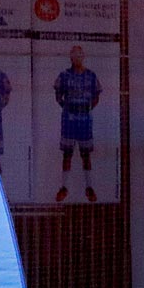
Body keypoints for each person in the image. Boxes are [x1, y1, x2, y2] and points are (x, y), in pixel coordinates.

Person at [53, 44, 102, 202]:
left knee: (85, 154)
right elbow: (58, 94)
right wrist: (69, 108)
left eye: (80, 55)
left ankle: (89, 187)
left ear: (83, 57)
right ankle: (64, 187)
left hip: (85, 121)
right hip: (69, 120)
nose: (77, 58)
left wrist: (85, 109)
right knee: (67, 154)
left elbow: (96, 96)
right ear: (70, 58)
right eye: (74, 55)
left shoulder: (91, 76)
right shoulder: (64, 75)